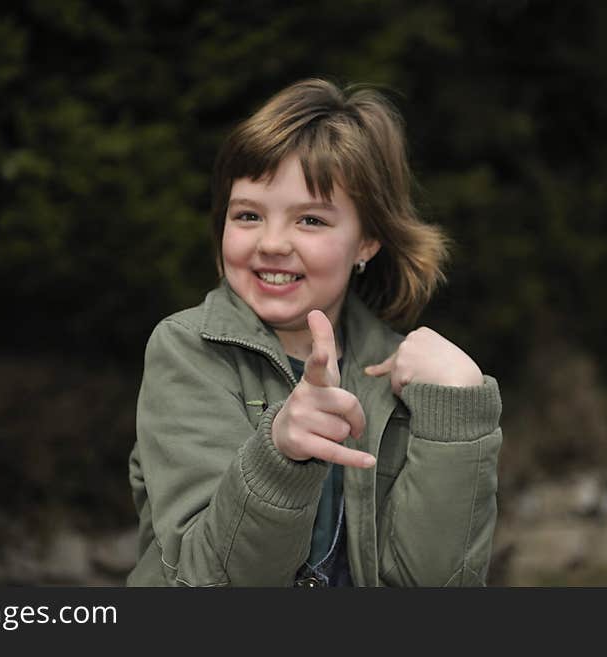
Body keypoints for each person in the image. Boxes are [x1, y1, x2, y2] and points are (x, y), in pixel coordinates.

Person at [126, 78, 503, 587]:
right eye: (248, 215)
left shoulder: (410, 380)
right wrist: (279, 452)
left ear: (368, 239)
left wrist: (455, 408)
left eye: (310, 219)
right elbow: (204, 583)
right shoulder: (189, 350)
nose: (273, 242)